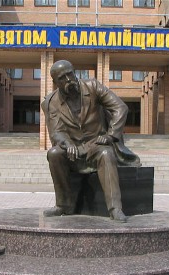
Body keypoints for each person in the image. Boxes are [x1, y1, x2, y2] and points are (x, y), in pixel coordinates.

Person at [41, 60, 140, 223]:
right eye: (62, 78)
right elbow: (56, 131)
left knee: (106, 153)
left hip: (96, 145)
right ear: (55, 82)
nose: (68, 80)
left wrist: (111, 135)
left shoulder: (93, 86)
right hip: (73, 149)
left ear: (74, 72)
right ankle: (64, 205)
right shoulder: (51, 102)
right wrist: (67, 143)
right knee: (54, 154)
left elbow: (120, 108)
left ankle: (115, 208)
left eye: (69, 74)